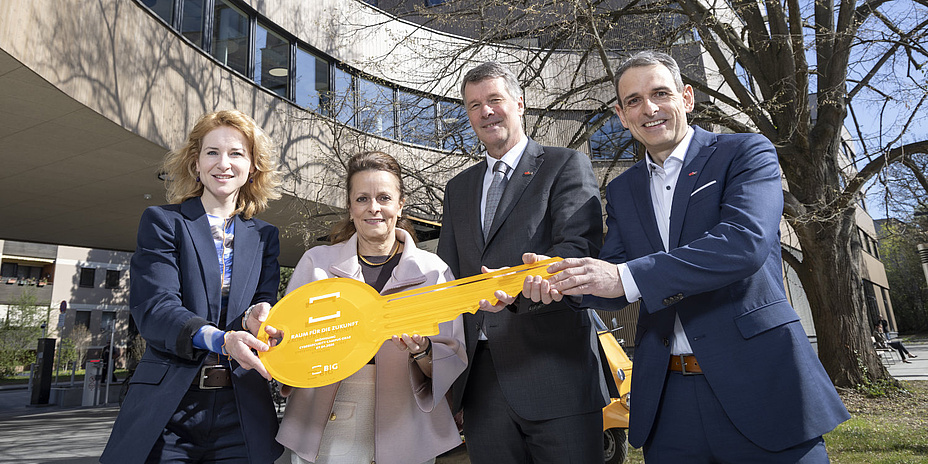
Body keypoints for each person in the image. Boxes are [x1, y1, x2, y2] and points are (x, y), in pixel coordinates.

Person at [527, 51, 850, 462]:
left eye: (660, 93)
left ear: (687, 98)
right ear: (622, 116)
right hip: (668, 399)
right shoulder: (624, 190)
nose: (649, 108)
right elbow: (612, 279)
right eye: (633, 101)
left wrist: (625, 278)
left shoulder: (744, 152)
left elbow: (742, 243)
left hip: (759, 384)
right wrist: (554, 282)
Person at [437, 61, 609, 464]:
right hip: (481, 384)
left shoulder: (564, 164)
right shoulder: (457, 189)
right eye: (474, 105)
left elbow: (579, 249)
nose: (486, 112)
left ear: (520, 103)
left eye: (495, 100)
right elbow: (447, 277)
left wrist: (520, 282)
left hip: (556, 373)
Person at [101, 109, 284, 463]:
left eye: (236, 154)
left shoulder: (265, 237)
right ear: (195, 164)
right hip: (171, 408)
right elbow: (156, 309)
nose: (223, 164)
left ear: (252, 167)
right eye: (211, 152)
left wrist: (257, 316)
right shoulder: (162, 223)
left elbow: (261, 301)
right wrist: (221, 339)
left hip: (241, 410)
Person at [276, 151, 467, 464]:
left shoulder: (434, 272)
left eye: (384, 197)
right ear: (350, 207)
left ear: (400, 204)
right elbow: (288, 348)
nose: (374, 208)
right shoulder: (316, 264)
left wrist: (421, 349)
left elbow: (451, 358)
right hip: (328, 419)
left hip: (408, 423)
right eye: (362, 198)